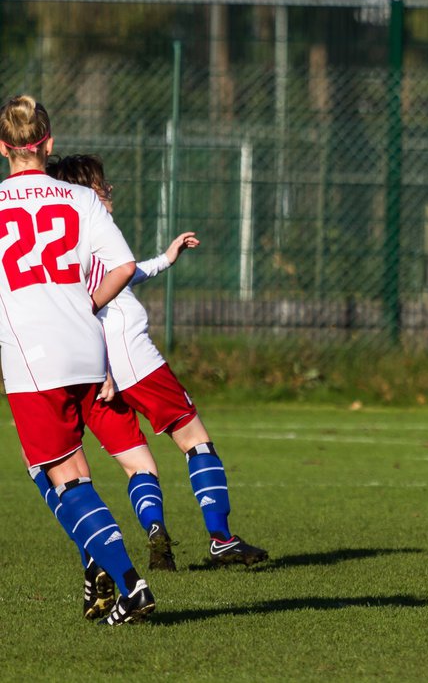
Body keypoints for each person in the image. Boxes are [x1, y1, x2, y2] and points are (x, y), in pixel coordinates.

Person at [36, 154, 268, 575]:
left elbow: (116, 275)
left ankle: (157, 530)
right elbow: (117, 275)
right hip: (133, 356)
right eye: (103, 184)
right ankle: (220, 537)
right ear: (88, 190)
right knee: (196, 439)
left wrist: (164, 258)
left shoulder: (63, 238)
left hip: (96, 366)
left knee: (138, 464)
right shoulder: (95, 227)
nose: (109, 191)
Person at [0, 95, 154, 625]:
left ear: (3, 147)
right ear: (49, 144)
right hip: (88, 348)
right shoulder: (80, 200)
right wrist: (83, 305)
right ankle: (97, 565)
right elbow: (124, 265)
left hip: (33, 358)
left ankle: (129, 583)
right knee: (56, 466)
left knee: (63, 478)